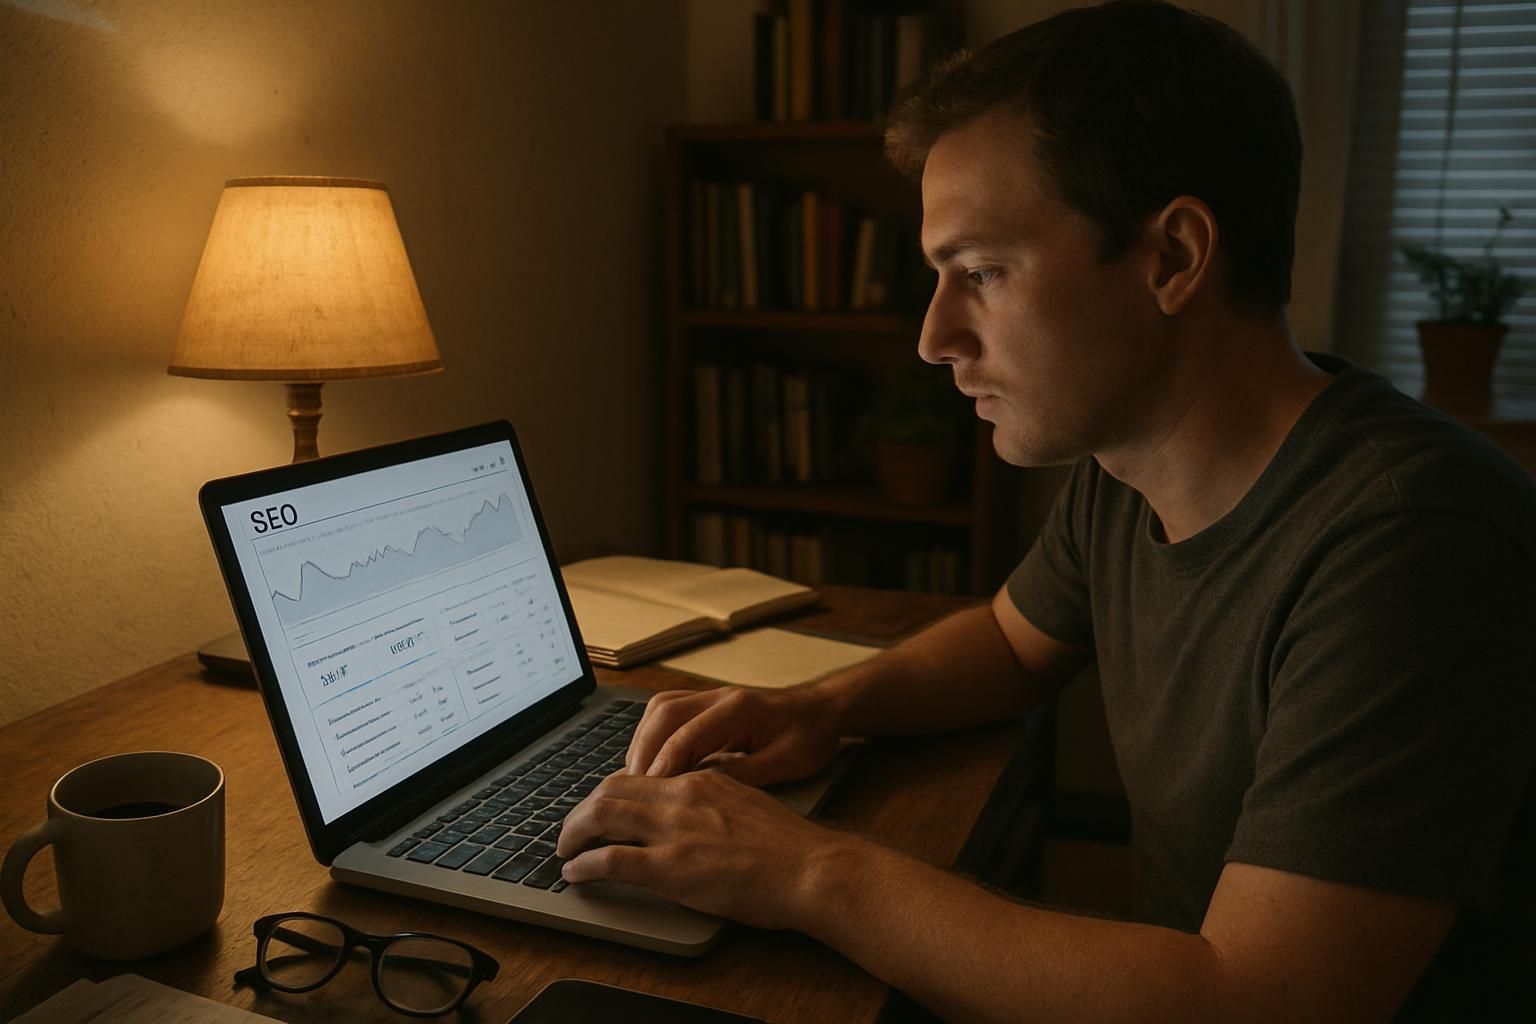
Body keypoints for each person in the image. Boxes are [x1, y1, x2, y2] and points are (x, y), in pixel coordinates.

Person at [555, 1, 1536, 1019]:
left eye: (980, 272)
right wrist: (824, 709)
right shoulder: (1128, 467)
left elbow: (1257, 1000)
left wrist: (808, 870)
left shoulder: (1412, 541)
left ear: (1172, 257)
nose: (934, 337)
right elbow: (1012, 643)